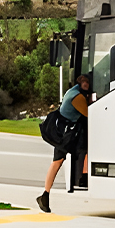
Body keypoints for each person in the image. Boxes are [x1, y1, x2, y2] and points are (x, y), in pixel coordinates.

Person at [36, 73, 91, 212]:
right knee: (64, 158)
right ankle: (83, 177)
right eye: (85, 82)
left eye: (88, 82)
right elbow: (88, 114)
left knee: (58, 161)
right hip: (65, 134)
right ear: (81, 82)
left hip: (64, 131)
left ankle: (45, 195)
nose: (87, 85)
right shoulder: (77, 97)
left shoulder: (73, 91)